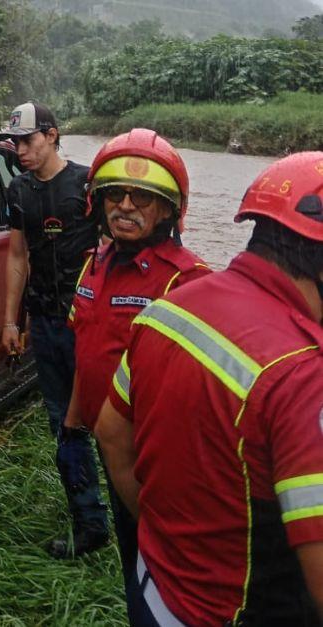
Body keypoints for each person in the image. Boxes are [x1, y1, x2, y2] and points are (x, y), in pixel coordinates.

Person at [96, 152, 323, 625]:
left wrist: (166, 539)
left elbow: (111, 433)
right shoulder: (303, 374)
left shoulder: (168, 308)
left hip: (153, 589)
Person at [65, 129, 210, 621]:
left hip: (155, 457)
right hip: (109, 446)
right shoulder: (94, 265)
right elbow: (85, 350)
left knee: (160, 562)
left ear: (168, 211)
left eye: (143, 197)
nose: (125, 205)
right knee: (134, 553)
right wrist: (71, 423)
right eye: (115, 195)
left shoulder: (187, 280)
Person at [0, 101, 108, 558]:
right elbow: (17, 258)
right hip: (45, 324)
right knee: (63, 422)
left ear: (52, 135)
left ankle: (140, 519)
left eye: (27, 140)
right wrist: (11, 320)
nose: (20, 150)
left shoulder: (88, 185)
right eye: (15, 143)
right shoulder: (19, 191)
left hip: (90, 326)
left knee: (112, 423)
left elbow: (110, 254)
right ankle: (89, 522)